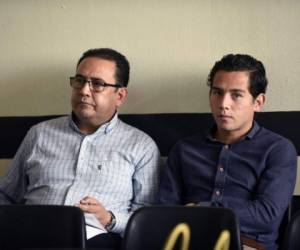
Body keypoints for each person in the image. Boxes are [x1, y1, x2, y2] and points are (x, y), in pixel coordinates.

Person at [0, 48, 160, 249]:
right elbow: (5, 194)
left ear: (120, 95)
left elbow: (147, 218)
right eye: (79, 81)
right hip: (33, 234)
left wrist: (109, 218)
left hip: (96, 240)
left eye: (98, 84)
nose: (84, 90)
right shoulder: (39, 134)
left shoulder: (141, 146)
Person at [159, 54, 297, 250]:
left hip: (247, 245)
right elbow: (165, 211)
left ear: (258, 102)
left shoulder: (278, 150)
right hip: (188, 242)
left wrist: (202, 209)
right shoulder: (184, 149)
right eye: (217, 93)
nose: (223, 104)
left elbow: (267, 216)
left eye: (236, 95)